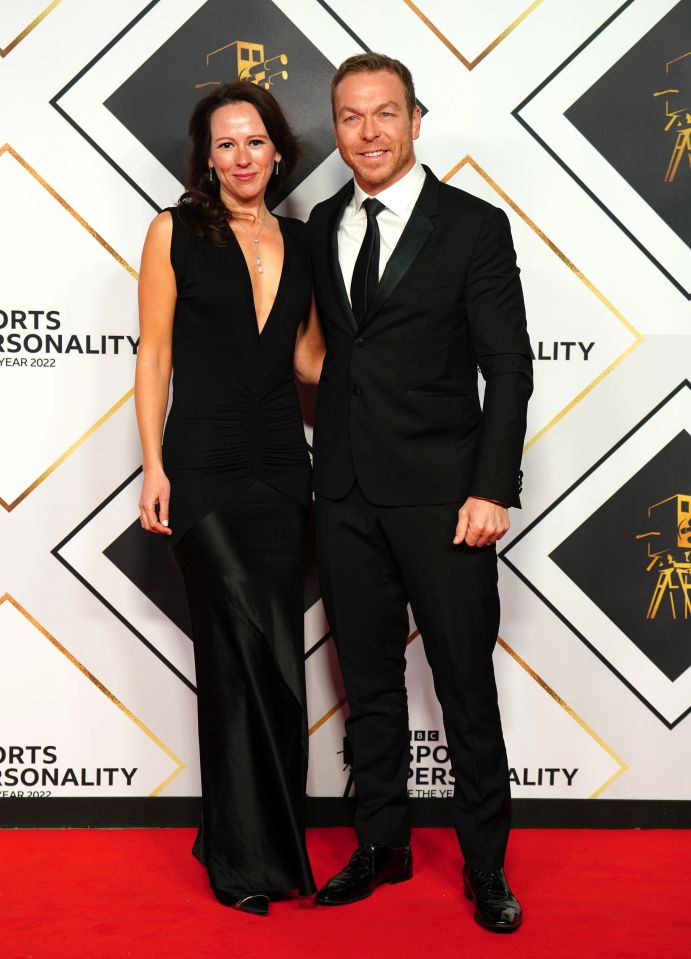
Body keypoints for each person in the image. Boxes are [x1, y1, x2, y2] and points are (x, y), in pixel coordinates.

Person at [307, 53, 532, 932]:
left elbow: (506, 368)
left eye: (385, 114)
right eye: (352, 117)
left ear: (414, 119)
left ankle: (485, 866)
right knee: (366, 682)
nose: (368, 132)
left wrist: (489, 489)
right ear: (337, 127)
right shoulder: (322, 221)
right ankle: (382, 842)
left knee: (463, 686)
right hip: (346, 494)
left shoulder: (473, 226)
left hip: (446, 499)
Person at [134, 80, 323, 917]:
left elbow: (312, 359)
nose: (241, 157)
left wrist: (410, 371)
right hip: (203, 467)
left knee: (278, 658)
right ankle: (243, 859)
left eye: (254, 141)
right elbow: (153, 356)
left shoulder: (303, 239)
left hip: (283, 468)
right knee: (233, 655)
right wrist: (152, 464)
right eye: (225, 144)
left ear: (277, 150)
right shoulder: (171, 232)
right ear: (205, 159)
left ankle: (247, 838)